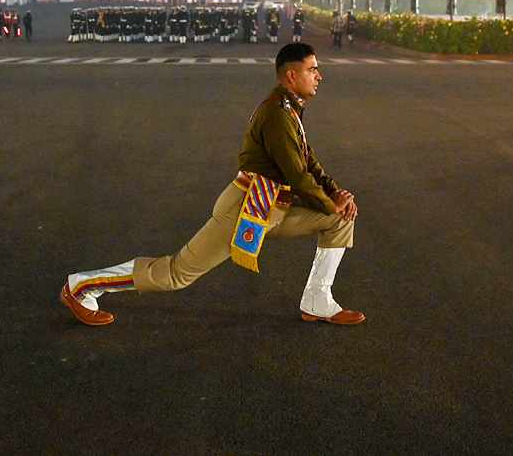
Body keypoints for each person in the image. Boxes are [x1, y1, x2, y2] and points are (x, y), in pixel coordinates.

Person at [61, 42, 363, 327]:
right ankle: (84, 286)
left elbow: (309, 161)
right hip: (246, 208)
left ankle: (317, 302)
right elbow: (297, 174)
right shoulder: (276, 114)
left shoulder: (290, 109)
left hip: (273, 209)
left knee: (340, 220)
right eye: (312, 69)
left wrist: (336, 194)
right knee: (176, 274)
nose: (319, 76)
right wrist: (328, 201)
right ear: (291, 75)